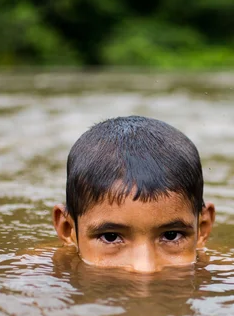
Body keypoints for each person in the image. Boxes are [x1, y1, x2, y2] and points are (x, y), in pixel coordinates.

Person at [52, 115, 215, 273]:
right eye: (110, 237)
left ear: (202, 229)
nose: (145, 269)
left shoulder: (233, 277)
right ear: (68, 229)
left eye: (171, 236)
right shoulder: (36, 278)